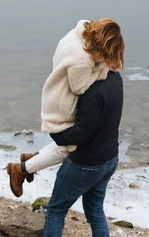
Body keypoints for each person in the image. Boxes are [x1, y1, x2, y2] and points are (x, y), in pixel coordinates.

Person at [5, 19, 125, 197]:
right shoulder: (81, 61)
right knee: (69, 148)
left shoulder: (80, 33)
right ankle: (21, 169)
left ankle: (31, 159)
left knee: (68, 144)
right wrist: (104, 70)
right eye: (107, 54)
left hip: (56, 96)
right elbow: (80, 87)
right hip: (61, 109)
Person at [44, 69, 124, 236]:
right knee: (95, 210)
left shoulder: (93, 90)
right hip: (110, 159)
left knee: (56, 210)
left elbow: (80, 135)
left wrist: (54, 132)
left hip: (85, 164)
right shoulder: (115, 78)